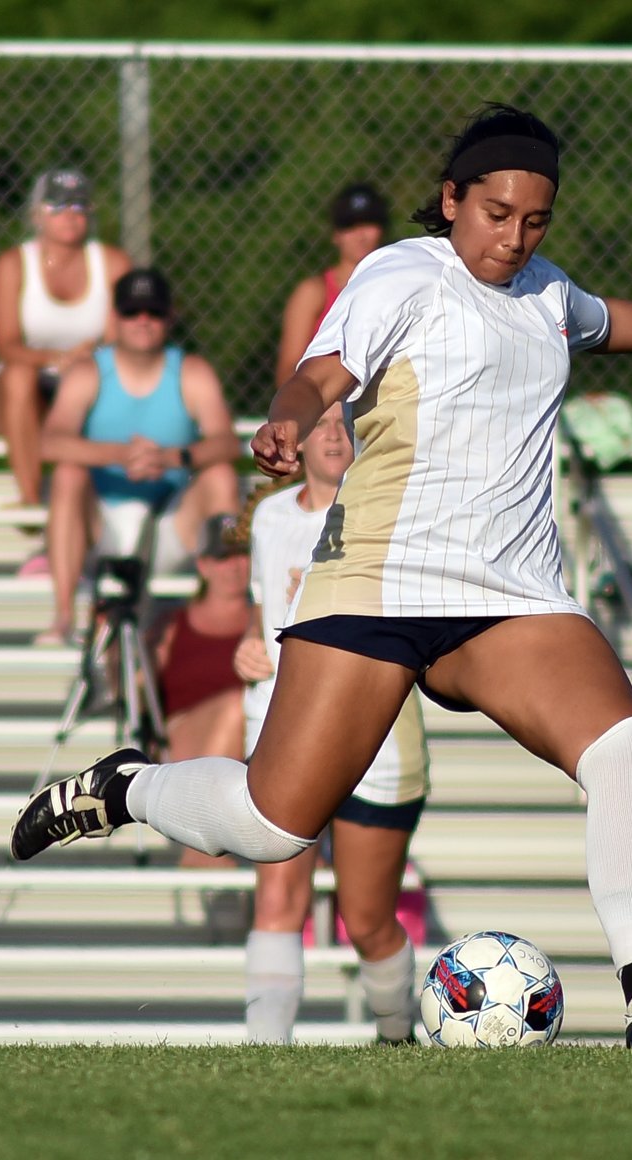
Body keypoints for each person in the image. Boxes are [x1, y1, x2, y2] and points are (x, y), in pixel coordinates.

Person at [11, 103, 632, 1050]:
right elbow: (322, 372)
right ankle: (126, 788)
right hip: (379, 581)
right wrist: (288, 418)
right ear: (452, 198)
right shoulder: (401, 273)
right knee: (272, 823)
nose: (514, 236)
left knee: (623, 747)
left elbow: (608, 323)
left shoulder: (546, 289)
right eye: (495, 213)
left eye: (535, 220)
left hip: (509, 596)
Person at [232, 403, 429, 1044]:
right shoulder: (269, 517)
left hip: (376, 728)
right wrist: (248, 647)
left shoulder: (389, 510)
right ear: (294, 437)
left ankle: (398, 1036)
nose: (336, 434)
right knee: (278, 898)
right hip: (279, 716)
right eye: (321, 423)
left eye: (346, 421)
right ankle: (266, 1053)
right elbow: (263, 610)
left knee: (368, 916)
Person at [36, 268, 242, 646]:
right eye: (132, 312)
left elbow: (227, 442)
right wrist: (120, 455)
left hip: (170, 522)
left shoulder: (191, 372)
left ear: (169, 317)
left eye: (153, 312)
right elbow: (49, 442)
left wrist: (172, 457)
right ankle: (65, 615)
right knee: (67, 475)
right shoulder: (89, 372)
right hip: (103, 525)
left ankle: (228, 613)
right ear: (115, 319)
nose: (142, 321)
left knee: (221, 478)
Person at [0, 168, 132, 508]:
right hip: (25, 390)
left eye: (78, 207)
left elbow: (119, 339)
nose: (69, 215)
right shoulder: (15, 264)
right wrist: (56, 359)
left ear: (90, 213)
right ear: (37, 214)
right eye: (57, 206)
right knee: (19, 376)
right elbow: (7, 345)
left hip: (86, 383)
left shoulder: (111, 263)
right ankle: (31, 497)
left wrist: (85, 360)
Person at [153, 513, 251, 870]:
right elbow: (136, 693)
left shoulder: (270, 618)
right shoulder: (170, 625)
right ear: (203, 566)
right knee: (237, 706)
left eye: (242, 554)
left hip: (256, 744)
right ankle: (202, 842)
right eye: (222, 558)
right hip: (183, 741)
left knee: (243, 708)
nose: (234, 567)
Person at [275, 182, 390, 386]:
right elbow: (288, 370)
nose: (360, 236)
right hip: (326, 408)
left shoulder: (394, 288)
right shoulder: (313, 292)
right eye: (350, 226)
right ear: (335, 235)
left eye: (368, 224)